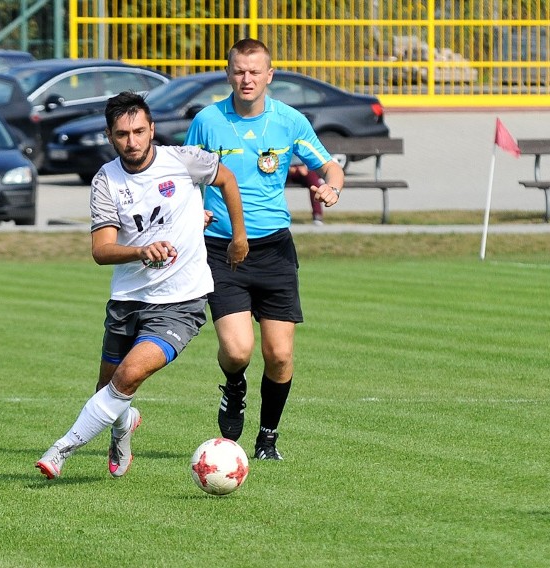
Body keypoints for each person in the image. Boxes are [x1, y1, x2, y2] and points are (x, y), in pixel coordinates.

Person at [35, 92, 248, 479]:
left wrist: (238, 237)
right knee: (109, 389)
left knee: (129, 375)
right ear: (110, 136)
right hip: (127, 299)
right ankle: (125, 423)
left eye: (138, 131)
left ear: (152, 129)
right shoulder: (106, 180)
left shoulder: (182, 160)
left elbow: (227, 178)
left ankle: (60, 449)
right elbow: (101, 251)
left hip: (181, 302)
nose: (132, 141)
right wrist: (140, 252)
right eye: (122, 134)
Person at [184, 38, 345, 460]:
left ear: (269, 76)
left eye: (255, 71)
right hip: (221, 248)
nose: (247, 78)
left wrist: (331, 186)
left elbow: (329, 165)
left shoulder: (289, 121)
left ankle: (267, 437)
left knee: (279, 355)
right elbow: (186, 176)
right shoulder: (207, 121)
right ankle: (233, 387)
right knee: (237, 351)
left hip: (274, 250)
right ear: (228, 74)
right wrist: (192, 212)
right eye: (239, 71)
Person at [288, 156, 325, 225]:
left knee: (313, 180)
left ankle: (317, 215)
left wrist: (306, 168)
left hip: (303, 169)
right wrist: (288, 168)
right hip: (283, 169)